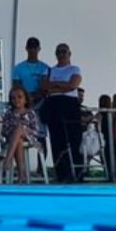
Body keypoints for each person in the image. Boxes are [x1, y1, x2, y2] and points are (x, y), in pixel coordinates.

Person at [40, 43, 84, 182]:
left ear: (69, 53)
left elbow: (73, 85)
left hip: (69, 106)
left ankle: (78, 172)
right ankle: (61, 173)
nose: (61, 54)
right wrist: (62, 86)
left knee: (74, 139)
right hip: (54, 105)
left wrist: (56, 86)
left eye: (64, 51)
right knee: (56, 140)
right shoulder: (50, 70)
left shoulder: (74, 68)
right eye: (58, 51)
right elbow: (45, 86)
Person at [1, 85, 44, 183]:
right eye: (13, 98)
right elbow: (4, 131)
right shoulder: (8, 113)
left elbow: (36, 131)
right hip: (12, 139)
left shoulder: (30, 113)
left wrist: (23, 130)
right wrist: (14, 132)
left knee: (20, 128)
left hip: (29, 138)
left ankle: (8, 159)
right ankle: (21, 174)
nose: (16, 100)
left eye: (20, 97)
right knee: (18, 139)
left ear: (25, 99)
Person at [11, 37, 50, 116]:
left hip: (41, 104)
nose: (32, 50)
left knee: (40, 127)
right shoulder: (18, 68)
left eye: (35, 47)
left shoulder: (45, 68)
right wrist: (27, 99)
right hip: (24, 103)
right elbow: (16, 87)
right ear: (26, 48)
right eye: (30, 47)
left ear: (39, 49)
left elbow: (46, 87)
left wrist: (36, 96)